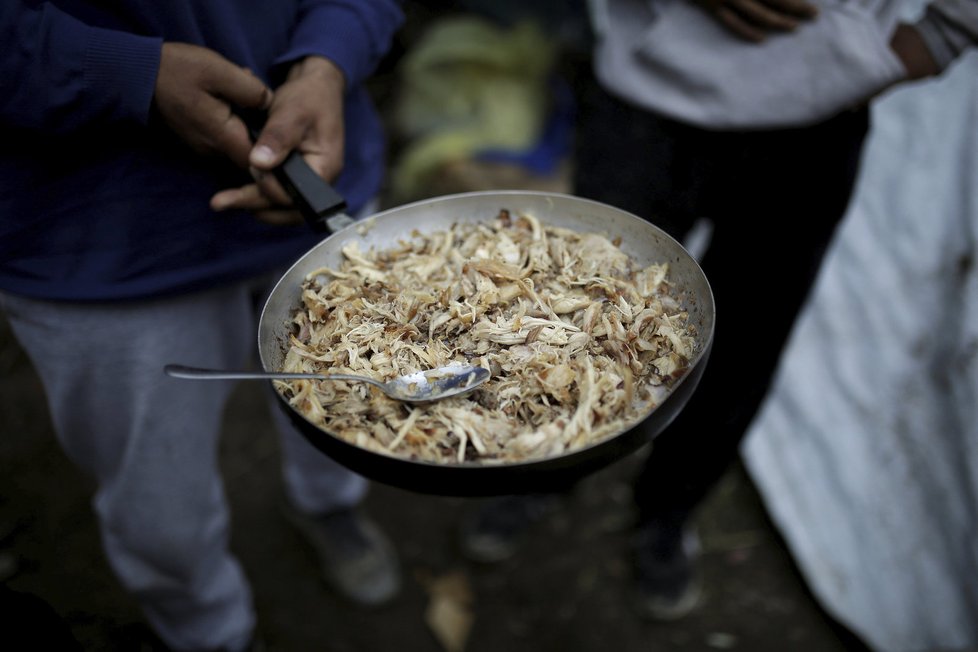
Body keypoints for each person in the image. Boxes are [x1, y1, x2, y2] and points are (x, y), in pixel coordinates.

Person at [460, 0, 978, 623]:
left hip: (815, 119)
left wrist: (940, 34)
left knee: (744, 341)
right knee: (581, 316)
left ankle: (669, 509)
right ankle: (547, 470)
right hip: (642, 97)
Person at [0, 2, 404, 651]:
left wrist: (331, 56)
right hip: (97, 238)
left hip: (320, 185)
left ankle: (328, 504)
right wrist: (125, 74)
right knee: (162, 514)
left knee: (362, 409)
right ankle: (208, 630)